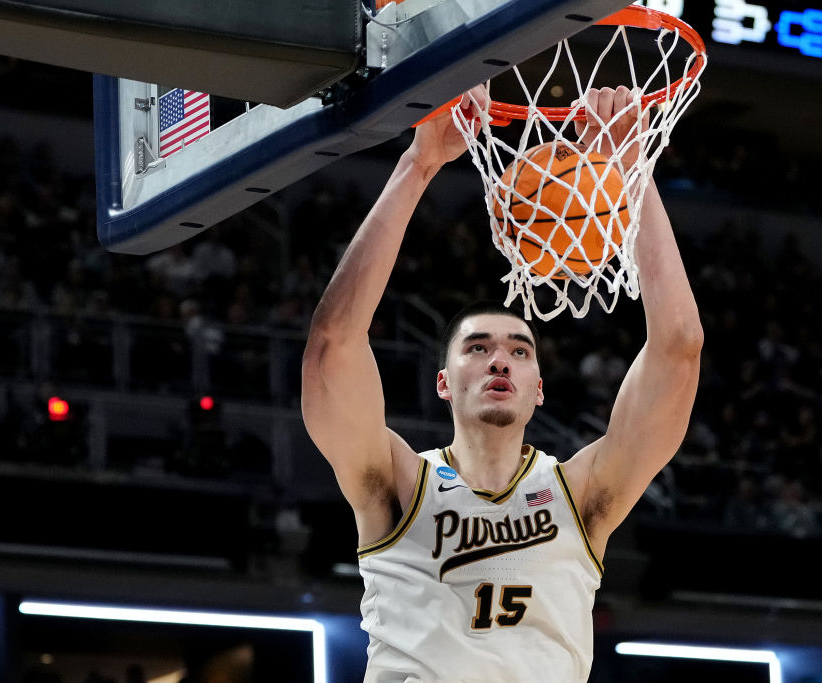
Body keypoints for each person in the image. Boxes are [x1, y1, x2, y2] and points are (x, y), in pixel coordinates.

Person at [301, 85, 703, 682]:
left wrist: (629, 169)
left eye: (520, 350)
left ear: (539, 388)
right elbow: (333, 343)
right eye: (478, 348)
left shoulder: (581, 495)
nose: (500, 361)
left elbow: (678, 348)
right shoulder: (396, 483)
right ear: (443, 382)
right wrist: (419, 164)